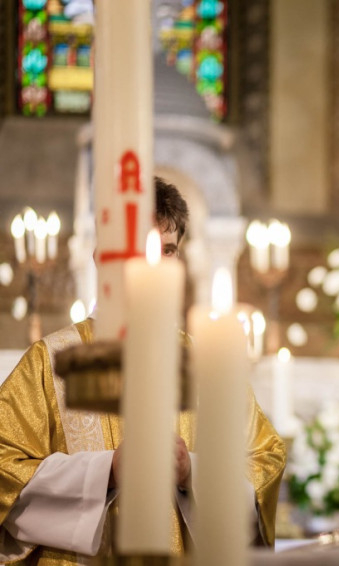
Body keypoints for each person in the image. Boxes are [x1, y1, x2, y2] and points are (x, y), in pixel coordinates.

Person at [0, 178, 286, 564]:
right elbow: (5, 469)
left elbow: (264, 461)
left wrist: (191, 472)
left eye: (168, 251)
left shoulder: (208, 362)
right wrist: (105, 471)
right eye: (142, 249)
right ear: (102, 256)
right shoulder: (50, 361)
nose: (155, 264)